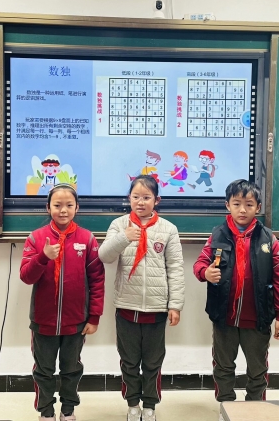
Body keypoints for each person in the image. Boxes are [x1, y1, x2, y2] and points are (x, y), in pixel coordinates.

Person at [193, 179, 279, 404]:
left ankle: (254, 408)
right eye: (237, 204)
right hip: (223, 317)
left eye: (249, 204)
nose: (243, 210)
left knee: (258, 369)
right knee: (223, 366)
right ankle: (226, 405)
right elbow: (200, 264)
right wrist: (205, 273)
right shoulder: (217, 235)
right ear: (227, 205)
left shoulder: (269, 239)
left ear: (258, 207)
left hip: (258, 318)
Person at [99, 175, 185, 421]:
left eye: (146, 197)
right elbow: (104, 256)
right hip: (126, 306)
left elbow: (175, 268)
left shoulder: (168, 229)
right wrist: (125, 237)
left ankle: (150, 406)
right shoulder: (119, 225)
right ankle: (132, 404)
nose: (140, 202)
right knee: (129, 361)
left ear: (157, 200)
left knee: (152, 362)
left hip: (157, 309)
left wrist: (175, 305)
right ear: (129, 198)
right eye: (136, 197)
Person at [20, 184, 105, 421]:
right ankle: (46, 411)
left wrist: (94, 316)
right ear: (48, 208)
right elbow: (26, 277)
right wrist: (43, 257)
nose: (63, 210)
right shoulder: (36, 238)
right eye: (57, 205)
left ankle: (68, 410)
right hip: (43, 321)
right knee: (43, 371)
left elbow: (97, 280)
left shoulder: (87, 239)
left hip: (76, 321)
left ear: (77, 208)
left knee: (72, 369)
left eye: (69, 205)